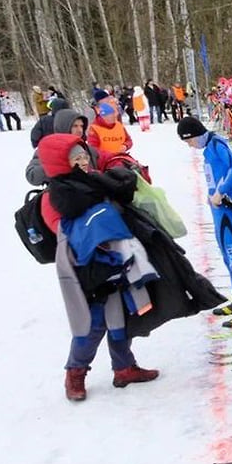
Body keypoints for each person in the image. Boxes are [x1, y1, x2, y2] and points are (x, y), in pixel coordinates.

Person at [37, 134, 160, 401]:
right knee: (92, 324)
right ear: (61, 163)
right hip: (87, 267)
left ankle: (124, 367)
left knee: (120, 316)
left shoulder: (94, 181)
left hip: (115, 259)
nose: (82, 162)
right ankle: (75, 373)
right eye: (75, 159)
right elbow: (64, 231)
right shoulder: (54, 196)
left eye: (83, 156)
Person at [178, 116, 232, 328]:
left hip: (226, 209)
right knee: (226, 256)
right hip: (218, 211)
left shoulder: (216, 143)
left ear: (194, 134)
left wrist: (220, 192)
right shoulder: (208, 148)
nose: (189, 145)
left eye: (189, 141)